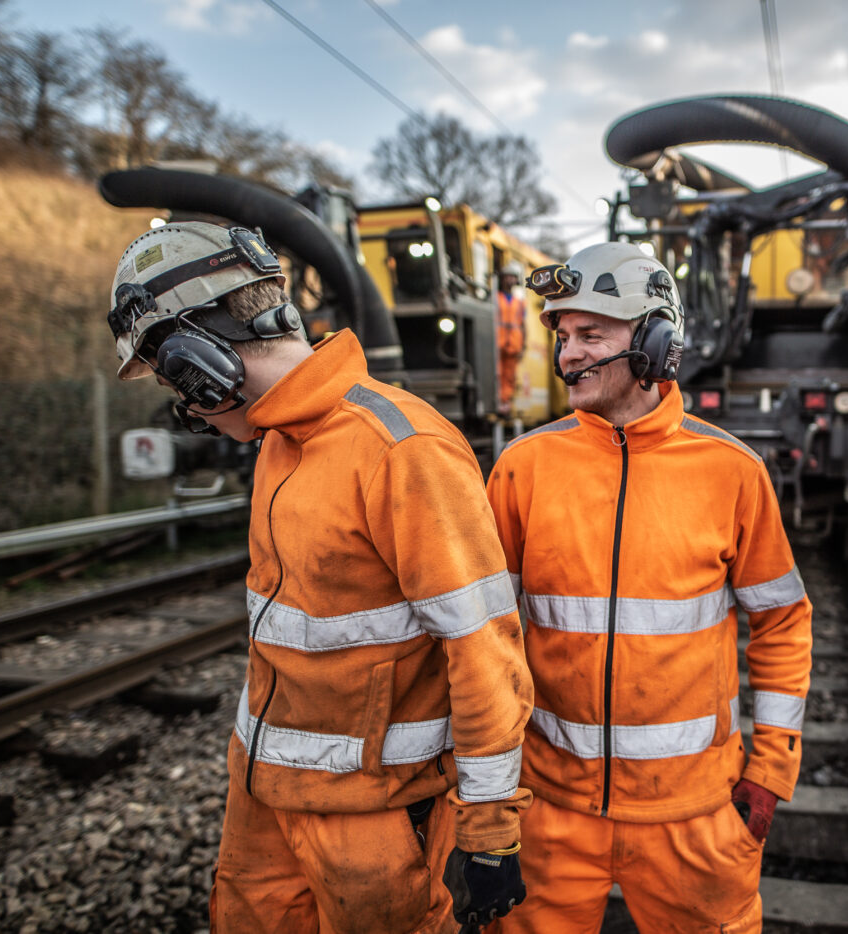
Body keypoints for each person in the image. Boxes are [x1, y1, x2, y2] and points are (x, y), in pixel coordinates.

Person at [104, 221, 534, 932]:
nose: (183, 405)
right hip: (264, 793)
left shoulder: (402, 450)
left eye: (171, 378)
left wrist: (489, 829)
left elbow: (484, 647)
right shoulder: (279, 441)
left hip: (375, 813)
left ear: (197, 358)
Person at [484, 242, 813, 933]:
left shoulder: (732, 472)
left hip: (694, 817)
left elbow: (781, 621)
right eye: (563, 336)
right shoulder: (522, 469)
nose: (568, 355)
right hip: (550, 812)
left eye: (591, 335)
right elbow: (480, 637)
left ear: (656, 342)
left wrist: (771, 767)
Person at [496, 261, 527, 415]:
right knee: (497, 373)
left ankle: (506, 403)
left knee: (509, 375)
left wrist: (523, 345)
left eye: (512, 277)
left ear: (516, 280)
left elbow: (523, 324)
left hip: (514, 342)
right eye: (506, 277)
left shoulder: (520, 303)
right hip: (497, 341)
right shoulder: (495, 298)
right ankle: (498, 401)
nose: (509, 280)